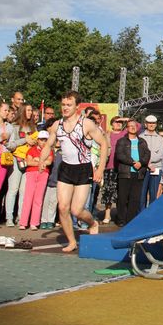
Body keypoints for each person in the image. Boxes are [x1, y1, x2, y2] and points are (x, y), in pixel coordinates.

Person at [37, 91, 109, 252]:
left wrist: (100, 169)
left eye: (69, 105)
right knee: (63, 207)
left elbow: (103, 143)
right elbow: (48, 145)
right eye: (63, 104)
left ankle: (92, 223)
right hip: (66, 168)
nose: (65, 108)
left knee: (77, 210)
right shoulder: (57, 125)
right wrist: (42, 160)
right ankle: (71, 241)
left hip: (83, 169)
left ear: (77, 107)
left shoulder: (86, 124)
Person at [113, 119, 151, 226]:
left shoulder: (142, 141)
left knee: (135, 198)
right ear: (127, 128)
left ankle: (131, 220)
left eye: (134, 126)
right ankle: (121, 220)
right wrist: (133, 162)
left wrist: (141, 162)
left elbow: (147, 154)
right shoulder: (121, 141)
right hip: (125, 173)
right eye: (130, 126)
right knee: (122, 198)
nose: (133, 127)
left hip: (138, 174)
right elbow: (120, 155)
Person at [18, 131, 53, 230]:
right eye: (41, 140)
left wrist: (38, 160)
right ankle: (23, 222)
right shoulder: (32, 150)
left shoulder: (49, 150)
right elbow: (29, 162)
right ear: (37, 140)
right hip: (31, 173)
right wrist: (41, 162)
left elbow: (49, 162)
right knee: (28, 198)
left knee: (38, 199)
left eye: (45, 140)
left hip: (43, 173)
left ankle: (34, 222)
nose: (43, 142)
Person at [139, 115, 163, 209]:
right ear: (145, 124)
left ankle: (151, 215)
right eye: (149, 123)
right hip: (143, 168)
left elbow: (161, 154)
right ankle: (141, 215)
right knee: (141, 194)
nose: (151, 125)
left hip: (156, 168)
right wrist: (148, 163)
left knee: (153, 194)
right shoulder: (140, 137)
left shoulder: (160, 138)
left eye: (153, 123)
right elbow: (139, 153)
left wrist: (148, 160)